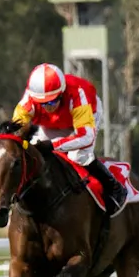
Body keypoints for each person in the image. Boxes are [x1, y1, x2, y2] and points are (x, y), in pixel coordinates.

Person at [11, 63, 126, 214]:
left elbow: (86, 137)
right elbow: (14, 134)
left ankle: (114, 187)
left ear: (61, 93)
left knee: (79, 155)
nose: (48, 107)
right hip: (52, 123)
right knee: (33, 153)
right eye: (43, 104)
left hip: (85, 116)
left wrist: (53, 145)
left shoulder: (77, 95)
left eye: (52, 101)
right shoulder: (28, 101)